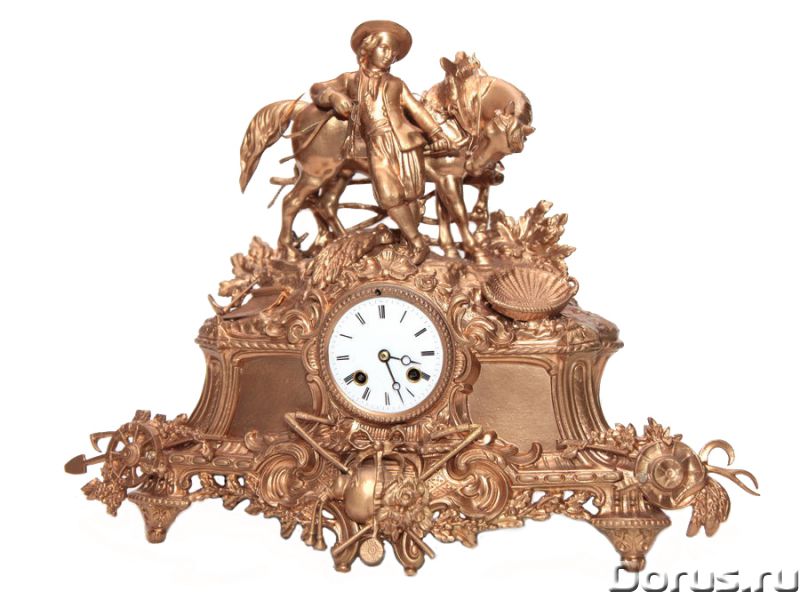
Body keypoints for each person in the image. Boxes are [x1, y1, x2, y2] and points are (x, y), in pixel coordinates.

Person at [310, 20, 450, 263]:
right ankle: (418, 242)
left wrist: (436, 133)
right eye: (384, 48)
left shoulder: (396, 84)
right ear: (368, 48)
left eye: (393, 53)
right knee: (388, 196)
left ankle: (409, 243)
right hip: (376, 144)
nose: (389, 55)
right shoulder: (350, 80)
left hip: (405, 143)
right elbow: (317, 88)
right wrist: (333, 97)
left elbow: (416, 109)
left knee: (411, 194)